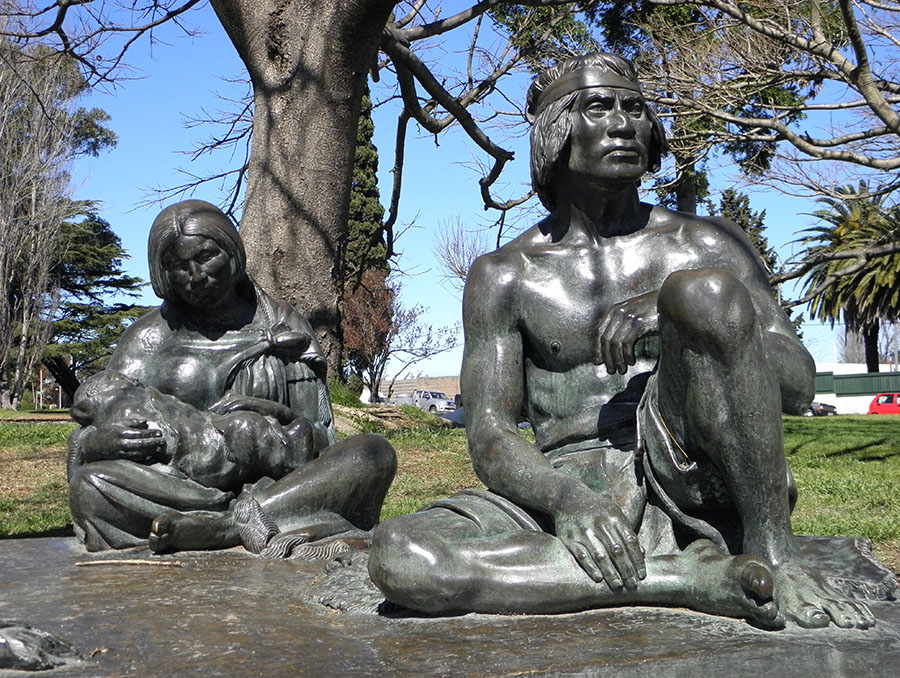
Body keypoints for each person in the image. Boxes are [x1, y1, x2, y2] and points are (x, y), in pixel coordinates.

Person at [368, 53, 873, 630]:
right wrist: (565, 499)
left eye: (635, 108)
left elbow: (797, 385)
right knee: (401, 556)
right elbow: (490, 433)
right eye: (599, 107)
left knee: (701, 294)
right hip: (564, 478)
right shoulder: (505, 274)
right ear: (557, 134)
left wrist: (676, 315)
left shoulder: (705, 246)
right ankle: (689, 579)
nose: (624, 123)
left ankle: (773, 554)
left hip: (682, 466)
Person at [68, 200, 396, 555]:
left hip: (276, 487)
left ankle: (222, 529)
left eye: (207, 257)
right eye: (179, 266)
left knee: (372, 453)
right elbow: (91, 415)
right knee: (91, 485)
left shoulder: (284, 329)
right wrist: (94, 444)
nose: (196, 277)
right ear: (163, 272)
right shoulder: (146, 339)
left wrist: (260, 410)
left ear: (231, 251)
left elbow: (319, 440)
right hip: (179, 491)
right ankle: (227, 522)